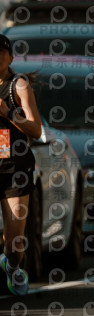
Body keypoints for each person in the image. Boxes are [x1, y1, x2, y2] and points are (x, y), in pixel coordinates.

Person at [0, 34, 43, 296]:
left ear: (10, 57)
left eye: (0, 52)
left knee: (14, 244)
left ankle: (13, 267)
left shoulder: (19, 85)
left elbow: (36, 129)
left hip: (14, 168)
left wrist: (8, 114)